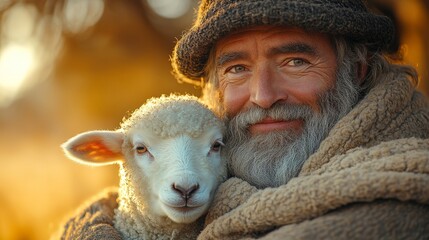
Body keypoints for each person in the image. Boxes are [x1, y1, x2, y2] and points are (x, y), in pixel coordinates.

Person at [58, 0, 429, 239]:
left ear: (357, 70)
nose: (264, 95)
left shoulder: (395, 204)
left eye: (295, 62)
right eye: (237, 68)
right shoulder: (219, 165)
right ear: (214, 90)